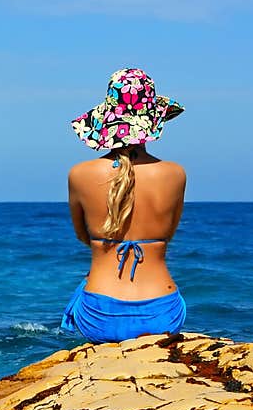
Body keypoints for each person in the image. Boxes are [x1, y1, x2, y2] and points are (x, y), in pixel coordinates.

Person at [60, 67, 187, 344]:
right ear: (153, 120)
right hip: (162, 313)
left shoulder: (80, 174)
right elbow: (170, 233)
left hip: (98, 314)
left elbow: (83, 235)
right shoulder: (175, 174)